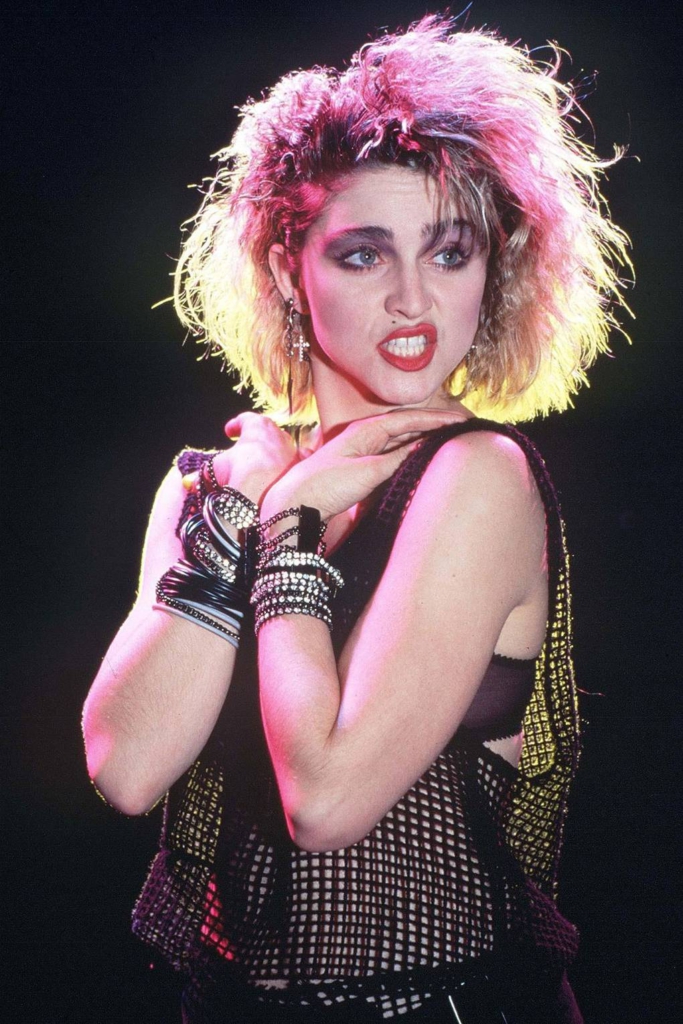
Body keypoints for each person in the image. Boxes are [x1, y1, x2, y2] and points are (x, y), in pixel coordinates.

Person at [82, 15, 631, 1023]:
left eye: (450, 251)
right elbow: (126, 769)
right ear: (286, 269)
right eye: (364, 255)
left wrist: (287, 526)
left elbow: (326, 802)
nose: (413, 300)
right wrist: (244, 507)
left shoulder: (477, 476)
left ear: (494, 269)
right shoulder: (218, 482)